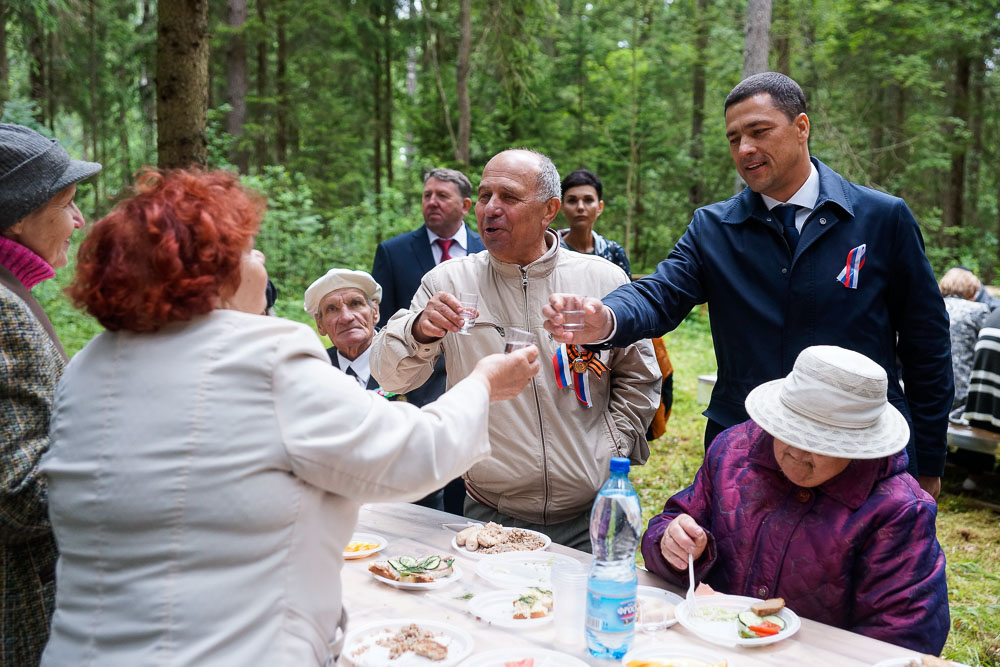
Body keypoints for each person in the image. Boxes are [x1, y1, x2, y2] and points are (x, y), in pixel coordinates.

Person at [38, 168, 540, 666]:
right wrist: (483, 384)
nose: (260, 259)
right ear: (212, 272)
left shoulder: (86, 366)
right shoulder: (264, 353)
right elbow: (409, 455)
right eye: (248, 248)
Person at [543, 72, 951, 498]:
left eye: (759, 132)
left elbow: (927, 344)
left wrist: (927, 458)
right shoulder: (714, 227)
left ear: (801, 127)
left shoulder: (882, 218)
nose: (745, 149)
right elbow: (661, 291)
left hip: (857, 447)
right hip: (747, 448)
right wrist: (606, 316)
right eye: (734, 138)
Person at [371, 149, 660, 551]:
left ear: (549, 210)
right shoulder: (448, 282)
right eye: (486, 195)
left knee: (589, 613)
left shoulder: (601, 278)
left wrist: (612, 446)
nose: (490, 209)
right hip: (491, 517)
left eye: (508, 197)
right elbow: (390, 376)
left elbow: (639, 376)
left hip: (591, 513)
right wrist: (419, 329)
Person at [643, 345, 949, 655]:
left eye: (822, 443)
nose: (797, 453)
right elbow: (670, 524)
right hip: (709, 649)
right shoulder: (733, 451)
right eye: (790, 431)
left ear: (860, 446)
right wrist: (672, 546)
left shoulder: (898, 510)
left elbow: (904, 639)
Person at [0, 122, 101, 665]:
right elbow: (18, 499)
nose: (79, 220)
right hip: (19, 613)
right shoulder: (3, 310)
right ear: (18, 214)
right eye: (67, 203)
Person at [372, 167, 485, 512]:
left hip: (475, 385)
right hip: (418, 390)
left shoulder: (490, 249)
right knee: (422, 495)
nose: (431, 202)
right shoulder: (394, 252)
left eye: (442, 196)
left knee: (466, 488)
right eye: (426, 195)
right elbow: (385, 325)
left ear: (465, 205)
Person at [557, 168, 630, 276]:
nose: (580, 207)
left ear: (600, 207)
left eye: (588, 200)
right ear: (562, 207)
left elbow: (627, 291)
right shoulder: (549, 250)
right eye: (572, 201)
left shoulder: (613, 253)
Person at [940, 271, 989, 408]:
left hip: (931, 388)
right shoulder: (978, 310)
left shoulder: (933, 307)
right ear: (972, 290)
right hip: (963, 393)